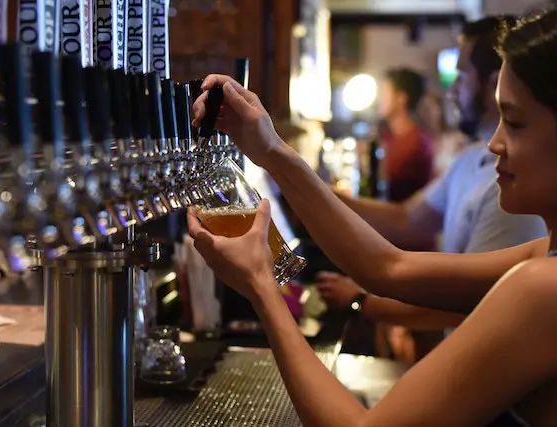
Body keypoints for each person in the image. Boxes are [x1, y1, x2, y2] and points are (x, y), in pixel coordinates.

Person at [189, 8, 557, 426]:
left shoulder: (542, 288)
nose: (494, 143)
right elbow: (388, 267)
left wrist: (261, 287)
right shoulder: (543, 257)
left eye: (515, 122)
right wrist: (272, 151)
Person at [317, 17, 547, 341]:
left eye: (463, 74)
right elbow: (405, 219)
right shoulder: (471, 160)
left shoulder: (512, 187)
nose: (452, 88)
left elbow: (467, 304)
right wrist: (316, 191)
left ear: (494, 81)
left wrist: (359, 299)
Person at [377, 68, 434, 204]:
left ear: (401, 99)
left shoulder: (416, 144)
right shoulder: (388, 135)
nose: (379, 100)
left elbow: (384, 181)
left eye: (384, 93)